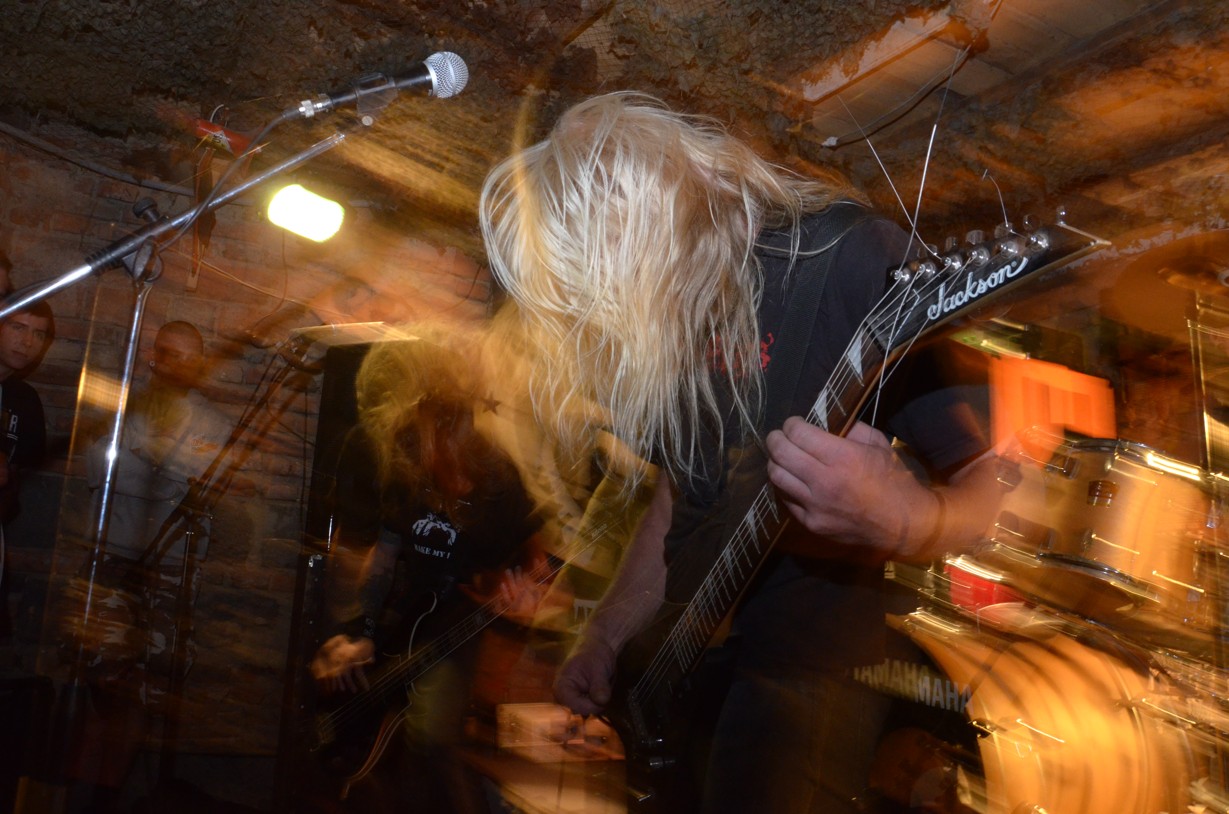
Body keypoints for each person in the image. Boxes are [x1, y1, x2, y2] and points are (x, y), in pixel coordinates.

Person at [478, 92, 1008, 812]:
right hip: (683, 661)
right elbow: (680, 500)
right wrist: (605, 634)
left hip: (802, 670)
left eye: (614, 273)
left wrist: (905, 522)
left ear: (674, 197)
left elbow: (1000, 485)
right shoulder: (668, 323)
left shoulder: (844, 259)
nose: (618, 305)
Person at [308, 331, 550, 813]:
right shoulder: (404, 465)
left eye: (420, 440)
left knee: (432, 742)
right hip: (411, 620)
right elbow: (384, 555)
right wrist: (361, 633)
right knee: (387, 748)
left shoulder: (498, 479)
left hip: (464, 631)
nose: (408, 452)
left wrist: (525, 589)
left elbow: (537, 559)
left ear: (450, 433)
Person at [71, 320, 232, 812]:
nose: (180, 364)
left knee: (145, 691)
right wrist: (168, 464)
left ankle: (106, 800)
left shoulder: (216, 424)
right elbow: (101, 472)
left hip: (171, 570)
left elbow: (201, 488)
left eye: (191, 356)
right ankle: (81, 798)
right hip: (112, 557)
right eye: (170, 353)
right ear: (153, 356)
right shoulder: (119, 406)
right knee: (101, 683)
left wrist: (146, 454)